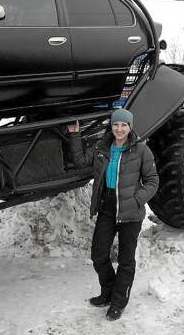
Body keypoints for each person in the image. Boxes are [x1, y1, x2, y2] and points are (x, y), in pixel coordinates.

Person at [67, 109, 159, 321]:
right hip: (107, 208)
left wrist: (136, 200)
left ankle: (118, 302)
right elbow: (81, 161)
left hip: (130, 212)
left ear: (130, 127)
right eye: (116, 125)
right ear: (111, 126)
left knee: (126, 261)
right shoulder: (102, 147)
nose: (119, 129)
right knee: (99, 255)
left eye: (124, 125)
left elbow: (153, 180)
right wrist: (75, 135)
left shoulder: (141, 150)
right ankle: (108, 292)